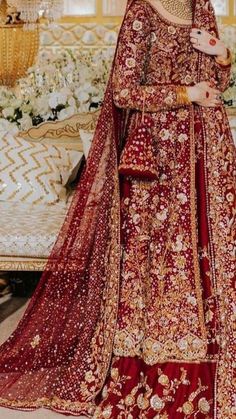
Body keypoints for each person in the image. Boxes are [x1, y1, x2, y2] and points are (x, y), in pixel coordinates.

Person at [0, 0, 235, 418]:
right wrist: (187, 94)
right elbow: (124, 91)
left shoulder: (201, 8)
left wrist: (222, 55)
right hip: (159, 167)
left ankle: (220, 366)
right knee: (162, 267)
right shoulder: (142, 11)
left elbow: (216, 82)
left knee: (215, 261)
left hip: (208, 163)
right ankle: (163, 360)